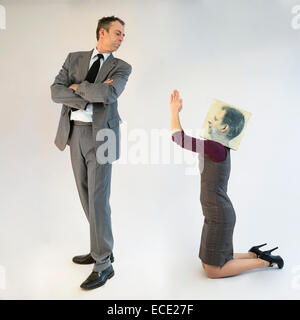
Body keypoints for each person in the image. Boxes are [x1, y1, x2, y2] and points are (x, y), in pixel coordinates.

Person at [50, 16, 132, 290]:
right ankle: (101, 248)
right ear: (102, 32)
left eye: (123, 35)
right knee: (86, 196)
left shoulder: (121, 67)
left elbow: (109, 95)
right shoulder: (74, 59)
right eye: (118, 33)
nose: (122, 38)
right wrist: (91, 92)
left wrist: (77, 87)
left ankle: (104, 265)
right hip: (75, 134)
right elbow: (55, 92)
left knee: (98, 201)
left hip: (103, 137)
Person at [169, 90, 284, 278]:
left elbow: (179, 139)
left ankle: (266, 261)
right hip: (213, 211)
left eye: (215, 118)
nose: (209, 120)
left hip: (219, 213)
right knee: (207, 265)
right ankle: (254, 253)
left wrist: (174, 113)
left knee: (213, 272)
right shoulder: (216, 146)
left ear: (224, 128)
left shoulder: (216, 148)